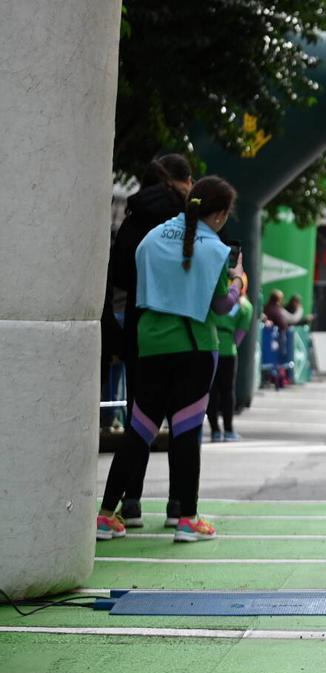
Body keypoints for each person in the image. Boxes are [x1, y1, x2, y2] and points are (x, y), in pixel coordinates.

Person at [97, 176, 243, 543]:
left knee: (139, 430)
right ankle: (187, 518)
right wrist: (238, 282)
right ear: (221, 215)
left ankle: (105, 514)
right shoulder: (216, 251)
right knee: (187, 430)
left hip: (149, 343)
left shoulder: (151, 239)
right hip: (195, 346)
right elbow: (222, 307)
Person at [100, 154, 192, 527]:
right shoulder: (189, 219)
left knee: (140, 418)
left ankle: (131, 503)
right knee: (183, 418)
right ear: (184, 181)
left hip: (142, 323)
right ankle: (178, 506)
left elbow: (119, 273)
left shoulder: (134, 218)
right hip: (185, 324)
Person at [207, 276, 253, 442]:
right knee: (227, 391)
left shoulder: (212, 299)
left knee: (211, 391)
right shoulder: (245, 306)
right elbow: (240, 334)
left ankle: (214, 431)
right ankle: (228, 430)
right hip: (228, 351)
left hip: (210, 346)